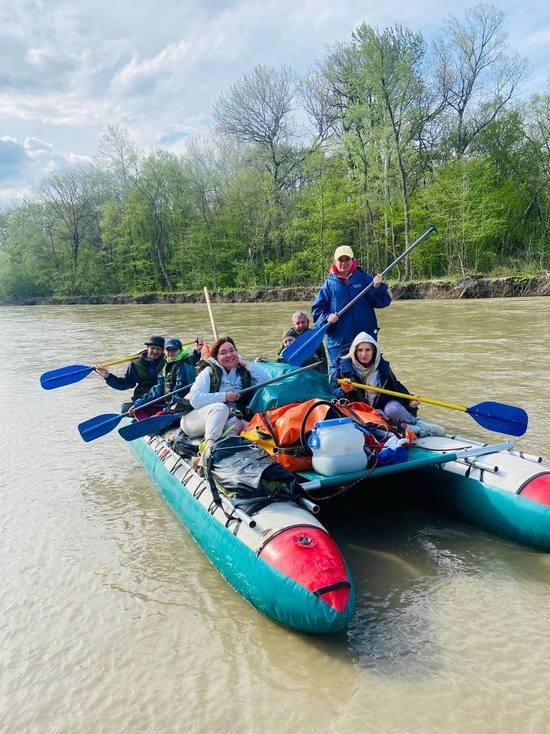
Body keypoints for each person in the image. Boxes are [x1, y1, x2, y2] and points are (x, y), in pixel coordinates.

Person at [329, 331, 445, 437]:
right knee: (378, 417)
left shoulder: (382, 366)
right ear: (354, 351)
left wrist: (410, 399)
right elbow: (333, 392)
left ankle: (415, 423)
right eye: (360, 350)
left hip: (384, 405)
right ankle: (414, 430)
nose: (363, 354)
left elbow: (396, 385)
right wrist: (344, 390)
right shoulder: (342, 369)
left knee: (393, 409)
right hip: (363, 410)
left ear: (374, 351)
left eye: (368, 350)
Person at [181, 336, 270, 458]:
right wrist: (225, 396)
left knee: (250, 428)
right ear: (216, 357)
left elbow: (266, 380)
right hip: (195, 420)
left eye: (232, 350)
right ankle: (208, 451)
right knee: (221, 408)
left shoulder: (243, 373)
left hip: (229, 417)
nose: (229, 355)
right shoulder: (208, 372)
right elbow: (195, 400)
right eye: (223, 353)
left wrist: (244, 363)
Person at [311, 245, 391, 365]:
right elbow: (317, 312)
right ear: (335, 262)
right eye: (340, 260)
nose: (344, 263)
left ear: (353, 260)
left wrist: (377, 287)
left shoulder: (364, 278)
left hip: (365, 340)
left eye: (347, 259)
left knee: (370, 374)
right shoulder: (328, 285)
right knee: (342, 378)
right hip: (339, 343)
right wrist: (327, 317)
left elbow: (383, 302)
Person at [130, 338, 202, 418]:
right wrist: (139, 403)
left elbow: (181, 391)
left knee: (159, 415)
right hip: (170, 404)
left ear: (180, 351)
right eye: (168, 350)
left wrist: (169, 408)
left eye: (174, 350)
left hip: (183, 405)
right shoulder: (166, 366)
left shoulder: (184, 366)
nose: (171, 353)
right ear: (164, 351)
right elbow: (158, 389)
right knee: (140, 409)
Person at [95, 335, 166, 412]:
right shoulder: (135, 364)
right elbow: (126, 384)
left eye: (158, 349)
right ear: (147, 348)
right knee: (124, 410)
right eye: (152, 348)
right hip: (141, 399)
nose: (155, 351)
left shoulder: (167, 362)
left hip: (163, 398)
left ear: (163, 351)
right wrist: (108, 377)